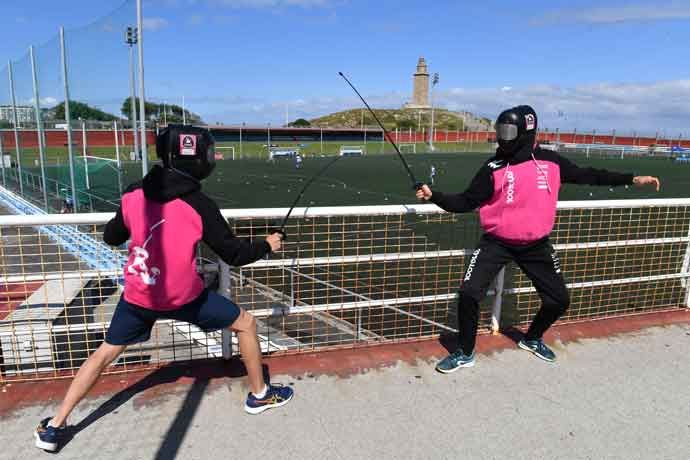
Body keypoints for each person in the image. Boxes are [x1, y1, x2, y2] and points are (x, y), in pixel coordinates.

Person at [35, 125, 293, 452]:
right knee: (246, 323)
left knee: (103, 355)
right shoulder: (199, 204)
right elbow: (235, 254)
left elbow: (112, 237)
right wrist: (268, 244)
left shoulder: (133, 194)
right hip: (184, 299)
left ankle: (56, 426)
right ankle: (260, 395)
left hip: (138, 297)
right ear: (199, 160)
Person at [416, 105, 660, 373]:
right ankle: (465, 351)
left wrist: (631, 179)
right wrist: (434, 196)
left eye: (508, 131)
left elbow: (589, 175)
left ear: (525, 132)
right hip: (496, 243)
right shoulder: (493, 167)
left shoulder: (551, 161)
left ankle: (532, 338)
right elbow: (464, 201)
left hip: (536, 245)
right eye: (500, 131)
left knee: (558, 300)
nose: (503, 137)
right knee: (469, 294)